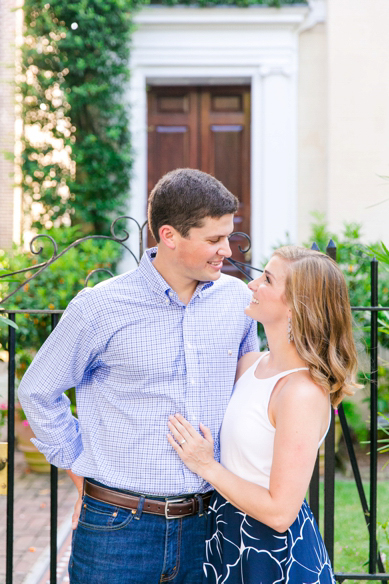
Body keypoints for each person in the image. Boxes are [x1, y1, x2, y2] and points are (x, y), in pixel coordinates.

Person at [18, 168, 259, 584]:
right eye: (214, 239)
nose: (228, 250)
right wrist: (79, 467)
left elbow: (249, 394)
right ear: (169, 235)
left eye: (229, 236)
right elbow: (38, 391)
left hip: (210, 526)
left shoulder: (237, 301)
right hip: (117, 531)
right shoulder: (100, 307)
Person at [168, 245, 359, 584]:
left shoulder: (300, 393)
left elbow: (281, 512)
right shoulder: (251, 365)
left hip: (272, 555)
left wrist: (205, 465)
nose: (253, 285)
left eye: (268, 280)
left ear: (296, 307)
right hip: (226, 539)